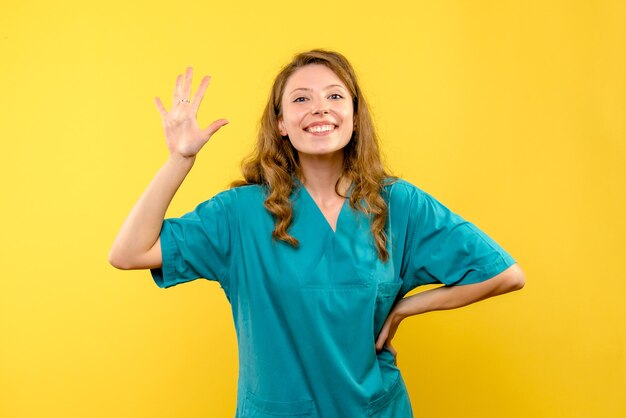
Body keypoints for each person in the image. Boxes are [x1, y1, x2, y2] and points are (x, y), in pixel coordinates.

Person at [109, 49, 525, 418]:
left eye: (334, 96)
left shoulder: (398, 205)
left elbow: (504, 274)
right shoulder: (240, 214)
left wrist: (404, 310)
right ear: (282, 123)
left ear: (355, 116)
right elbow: (128, 252)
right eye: (301, 99)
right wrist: (179, 160)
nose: (320, 108)